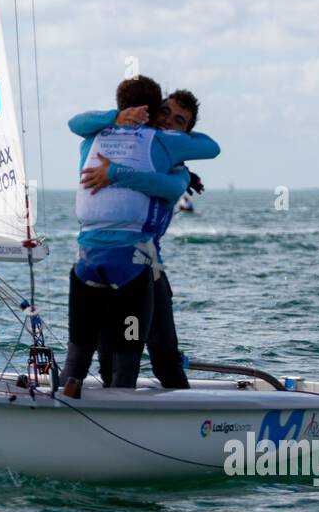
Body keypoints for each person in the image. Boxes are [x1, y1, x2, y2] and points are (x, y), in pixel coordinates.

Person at [64, 84, 219, 396]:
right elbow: (77, 123)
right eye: (165, 112)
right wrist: (117, 118)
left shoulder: (172, 163)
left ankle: (185, 412)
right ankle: (111, 408)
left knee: (163, 353)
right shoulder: (133, 144)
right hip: (122, 265)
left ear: (186, 132)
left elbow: (172, 184)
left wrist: (118, 173)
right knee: (108, 354)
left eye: (179, 120)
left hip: (147, 267)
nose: (168, 121)